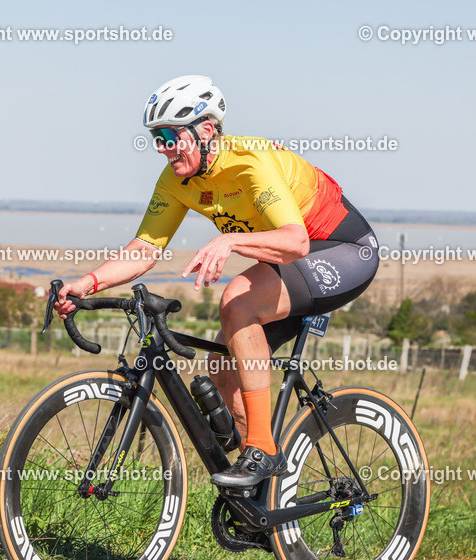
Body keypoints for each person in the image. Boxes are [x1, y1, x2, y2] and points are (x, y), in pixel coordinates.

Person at [55, 75, 379, 488]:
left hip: (341, 249)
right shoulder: (177, 179)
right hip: (293, 256)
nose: (163, 147)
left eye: (171, 135)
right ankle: (262, 501)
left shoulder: (250, 163)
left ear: (206, 130)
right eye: (157, 137)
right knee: (223, 372)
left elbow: (296, 242)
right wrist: (88, 283)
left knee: (237, 300)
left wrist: (229, 240)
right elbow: (145, 249)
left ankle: (263, 449)